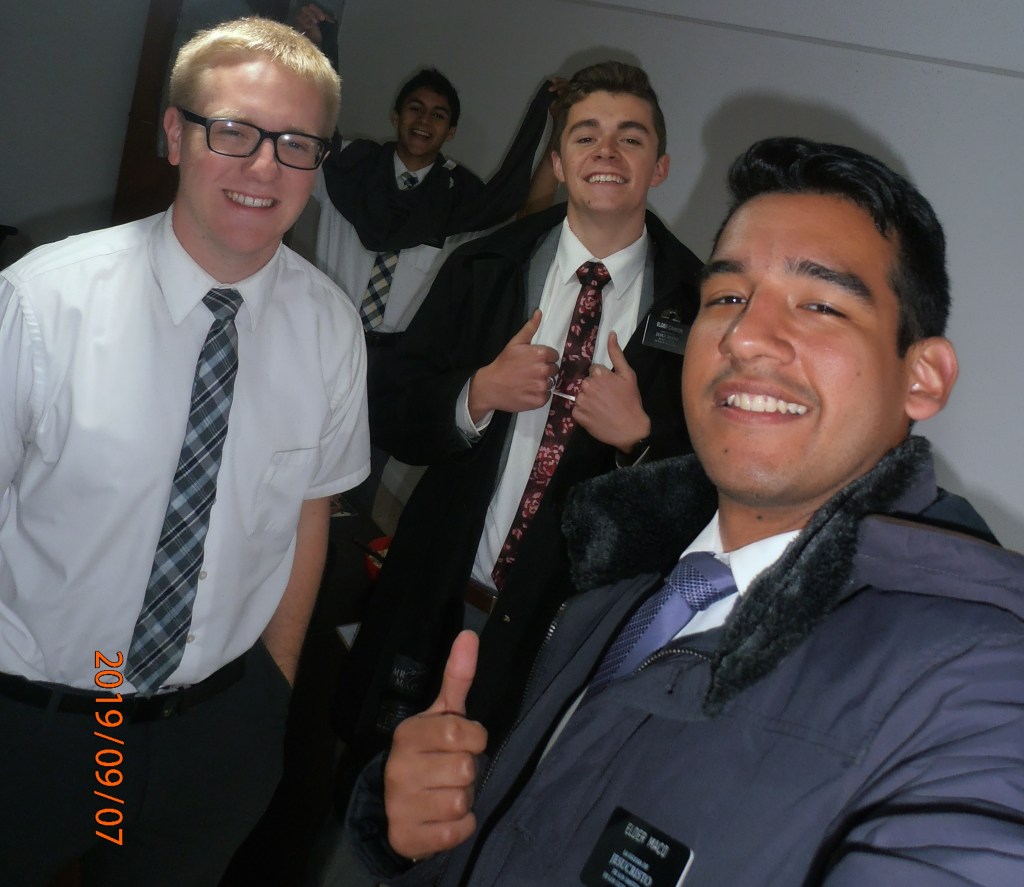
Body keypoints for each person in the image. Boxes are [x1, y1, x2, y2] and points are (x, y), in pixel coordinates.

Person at [347, 136, 1024, 885]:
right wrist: (438, 821)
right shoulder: (615, 590)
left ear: (922, 377)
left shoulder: (976, 681)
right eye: (727, 297)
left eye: (821, 304)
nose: (746, 337)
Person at [0, 17, 368, 886]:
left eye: (296, 144)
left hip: (210, 735)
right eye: (233, 130)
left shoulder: (330, 328)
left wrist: (273, 686)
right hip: (34, 725)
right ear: (174, 134)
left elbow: (307, 513)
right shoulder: (42, 304)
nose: (264, 166)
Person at [333, 60, 703, 797]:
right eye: (585, 136)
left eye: (630, 138)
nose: (606, 152)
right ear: (559, 162)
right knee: (374, 796)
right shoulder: (484, 265)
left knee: (501, 813)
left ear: (659, 166)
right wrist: (475, 394)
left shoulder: (701, 309)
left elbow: (714, 495)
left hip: (562, 634)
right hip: (440, 592)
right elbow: (395, 406)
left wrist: (639, 445)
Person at [295, 4, 558, 514]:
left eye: (439, 115)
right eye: (415, 108)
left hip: (397, 363)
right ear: (397, 117)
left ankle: (333, 551)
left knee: (356, 483)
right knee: (292, 453)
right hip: (325, 341)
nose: (424, 121)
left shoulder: (461, 201)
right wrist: (312, 52)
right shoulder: (350, 169)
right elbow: (307, 125)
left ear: (450, 131)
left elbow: (524, 211)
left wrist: (553, 127)